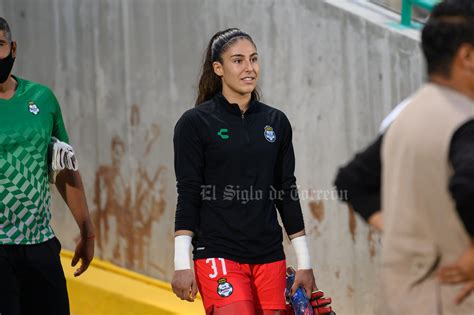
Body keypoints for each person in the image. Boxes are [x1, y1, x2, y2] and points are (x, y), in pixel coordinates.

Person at [336, 0, 474, 313]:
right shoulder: (465, 120)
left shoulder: (407, 113)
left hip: (399, 299)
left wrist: (404, 235)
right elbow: (468, 188)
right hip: (449, 300)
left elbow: (351, 181)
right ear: (467, 56)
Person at [171, 28, 318, 315]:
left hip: (269, 257)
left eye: (254, 59)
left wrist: (305, 262)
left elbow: (285, 191)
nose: (249, 68)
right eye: (238, 60)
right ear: (218, 68)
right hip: (217, 253)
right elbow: (188, 194)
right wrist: (181, 263)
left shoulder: (276, 121)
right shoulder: (194, 123)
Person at [0, 17, 95, 315]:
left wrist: (87, 231)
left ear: (13, 48)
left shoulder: (42, 99)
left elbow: (63, 168)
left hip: (40, 244)